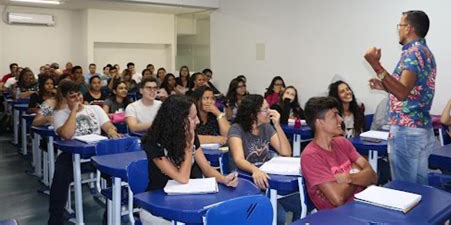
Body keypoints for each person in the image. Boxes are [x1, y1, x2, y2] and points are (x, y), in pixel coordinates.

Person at [140, 95, 238, 225]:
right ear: (177, 120)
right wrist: (188, 146)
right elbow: (182, 178)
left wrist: (223, 179)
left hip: (187, 199)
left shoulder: (190, 135)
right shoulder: (153, 142)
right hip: (158, 205)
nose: (197, 121)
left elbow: (207, 169)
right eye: (192, 118)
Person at [364, 10, 436, 184]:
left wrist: (376, 65)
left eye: (400, 25)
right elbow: (411, 92)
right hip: (420, 128)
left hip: (406, 130)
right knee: (420, 189)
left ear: (408, 28)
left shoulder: (412, 53)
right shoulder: (424, 52)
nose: (398, 30)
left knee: (404, 190)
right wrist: (384, 85)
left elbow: (403, 93)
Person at [48, 80, 120, 225]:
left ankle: (110, 218)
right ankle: (55, 219)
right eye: (72, 97)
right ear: (65, 98)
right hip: (72, 155)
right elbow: (67, 135)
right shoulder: (60, 114)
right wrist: (74, 111)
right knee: (60, 176)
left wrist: (111, 131)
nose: (77, 99)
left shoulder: (95, 109)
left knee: (116, 176)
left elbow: (108, 126)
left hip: (96, 154)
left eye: (78, 95)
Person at [228, 94, 296, 224]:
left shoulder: (266, 127)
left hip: (266, 179)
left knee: (298, 204)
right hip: (245, 179)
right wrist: (255, 170)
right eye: (265, 109)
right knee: (279, 216)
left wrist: (277, 125)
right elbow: (239, 159)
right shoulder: (236, 129)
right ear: (253, 113)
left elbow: (286, 152)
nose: (269, 112)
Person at [301, 96, 377, 210]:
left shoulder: (342, 142)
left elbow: (373, 176)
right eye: (334, 115)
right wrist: (357, 171)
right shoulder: (311, 156)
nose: (341, 119)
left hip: (359, 206)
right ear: (319, 122)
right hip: (335, 216)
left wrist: (348, 178)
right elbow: (338, 199)